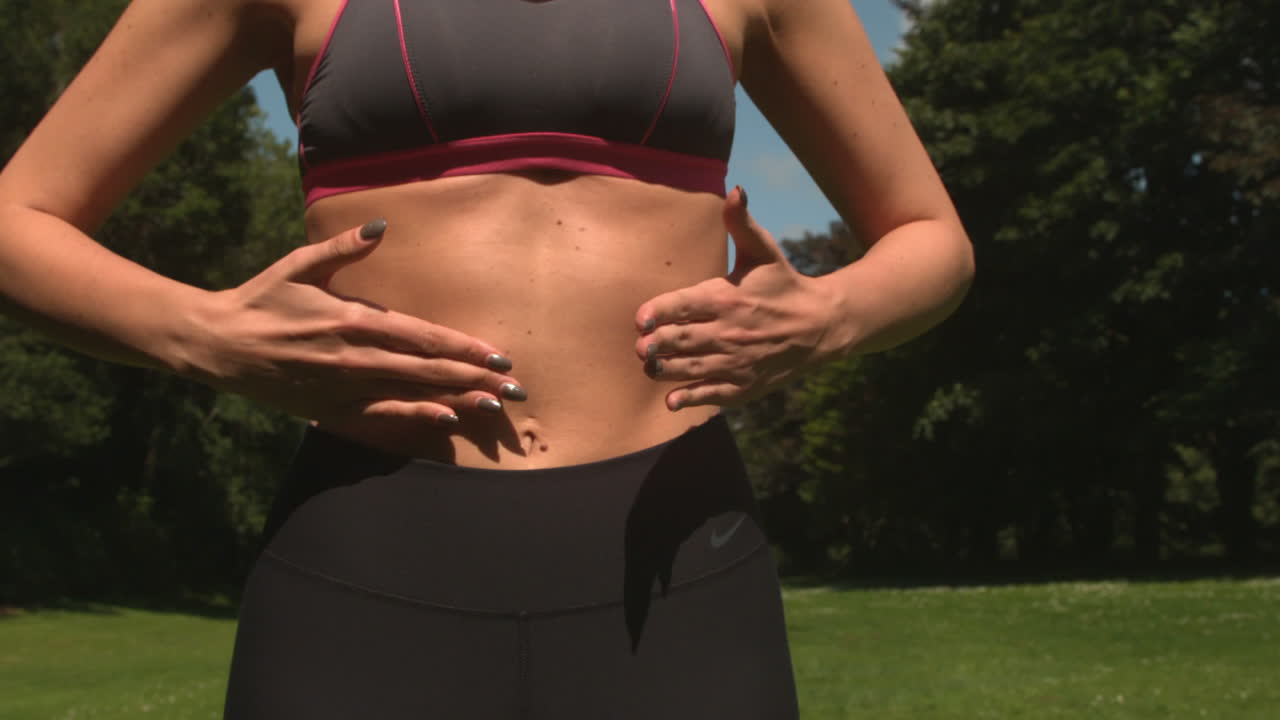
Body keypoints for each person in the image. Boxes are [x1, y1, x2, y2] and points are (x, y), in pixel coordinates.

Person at [0, 0, 974, 717]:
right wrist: (204, 335)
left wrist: (826, 315)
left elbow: (931, 236)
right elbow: (17, 220)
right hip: (366, 556)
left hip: (676, 565)